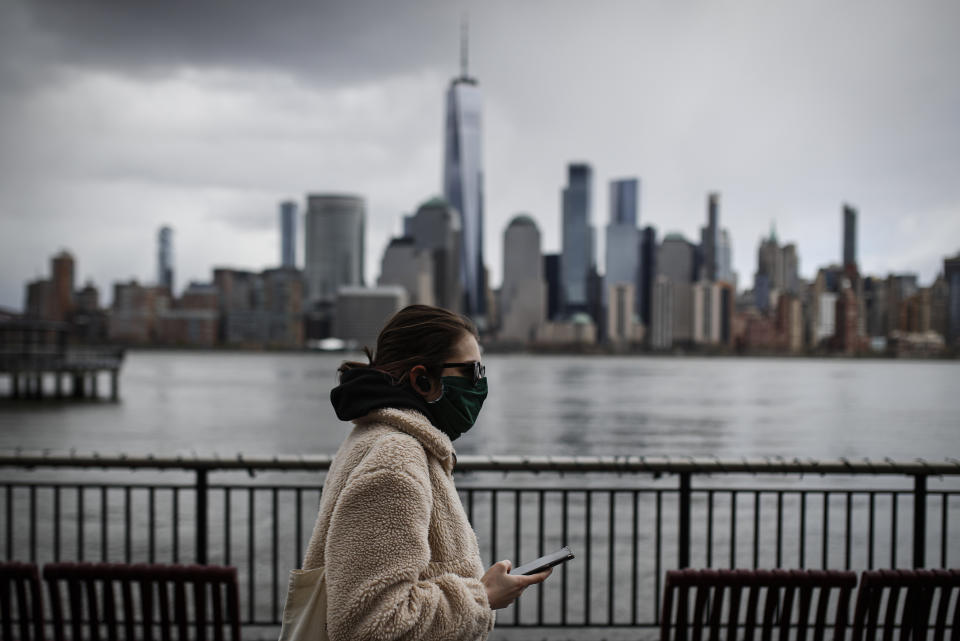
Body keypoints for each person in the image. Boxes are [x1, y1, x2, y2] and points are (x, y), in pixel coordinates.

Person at [300, 304, 551, 640]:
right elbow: (370, 624)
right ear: (422, 379)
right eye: (473, 371)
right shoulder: (396, 461)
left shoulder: (378, 437)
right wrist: (483, 597)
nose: (481, 384)